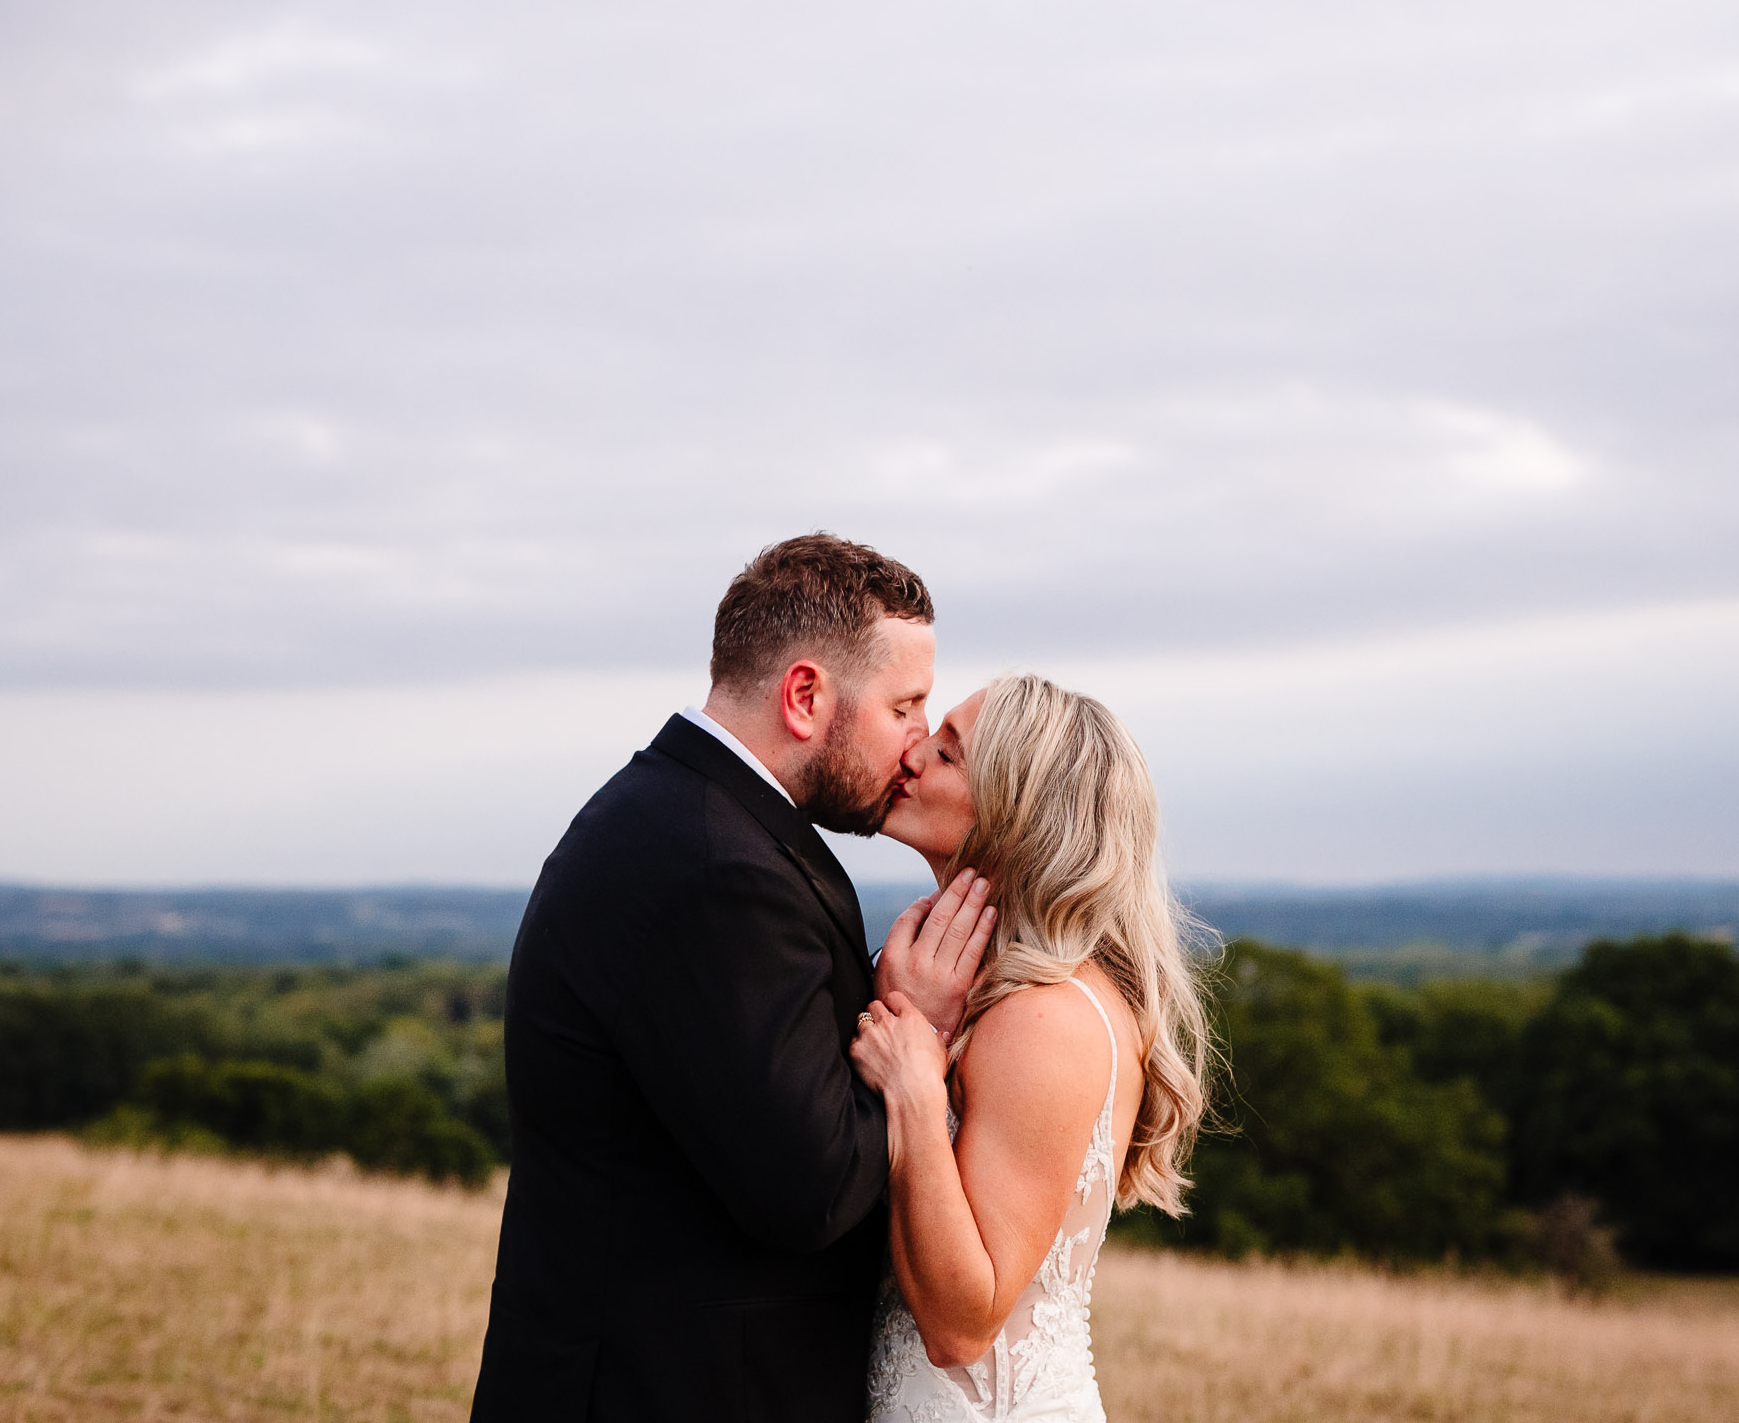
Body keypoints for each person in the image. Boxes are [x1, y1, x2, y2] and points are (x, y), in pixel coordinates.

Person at [472, 534, 998, 1423]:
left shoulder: (691, 818)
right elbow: (814, 1188)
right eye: (905, 706)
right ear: (805, 696)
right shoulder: (718, 868)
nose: (915, 744)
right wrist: (918, 1021)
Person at [852, 675, 1211, 1423]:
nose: (912, 755)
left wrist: (916, 1079)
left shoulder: (1043, 1017)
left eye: (947, 754)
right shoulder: (996, 994)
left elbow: (961, 1324)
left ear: (1015, 815)